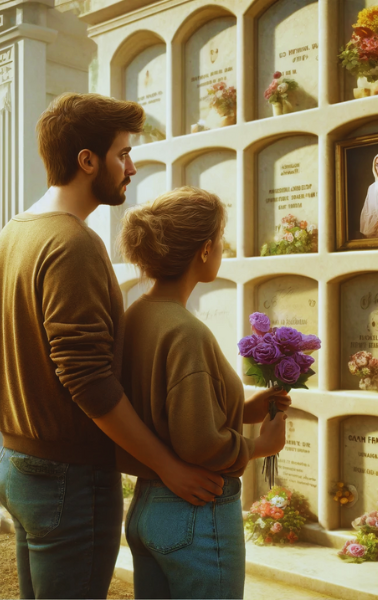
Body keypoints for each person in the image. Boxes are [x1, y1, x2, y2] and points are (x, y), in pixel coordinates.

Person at [0, 93, 224, 600]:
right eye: (122, 154)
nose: (131, 167)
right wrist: (167, 466)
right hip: (66, 477)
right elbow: (87, 379)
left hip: (16, 464)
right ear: (87, 161)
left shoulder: (11, 234)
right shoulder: (73, 244)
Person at [117, 187, 289, 599]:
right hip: (195, 511)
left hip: (147, 508)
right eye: (222, 238)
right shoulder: (185, 331)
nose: (224, 247)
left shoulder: (136, 314)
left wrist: (240, 409)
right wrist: (257, 446)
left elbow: (159, 406)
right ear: (206, 250)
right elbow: (196, 443)